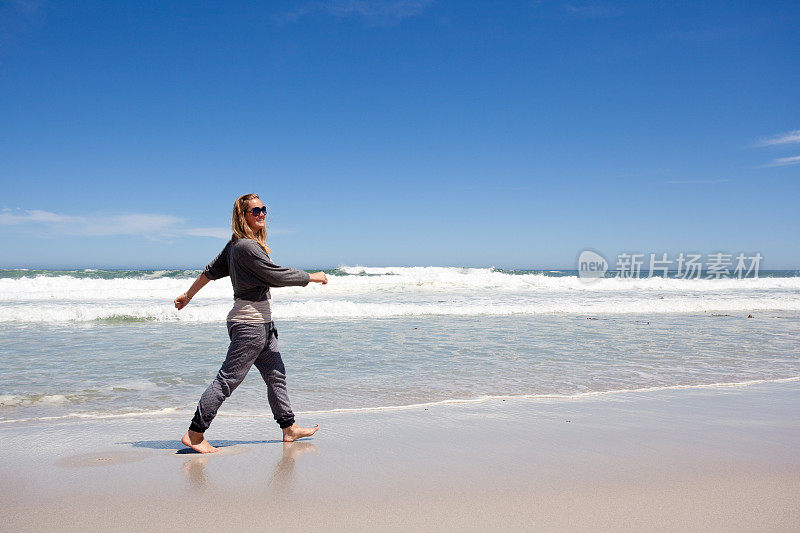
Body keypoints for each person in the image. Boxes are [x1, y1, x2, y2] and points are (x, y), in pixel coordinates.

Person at [174, 193, 328, 453]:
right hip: (249, 325)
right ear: (242, 216)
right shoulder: (245, 247)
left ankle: (288, 428)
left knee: (276, 376)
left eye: (263, 209)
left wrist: (188, 296)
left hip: (263, 324)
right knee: (227, 380)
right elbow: (275, 275)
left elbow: (209, 272)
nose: (261, 214)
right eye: (254, 211)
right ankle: (195, 433)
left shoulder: (237, 245)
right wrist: (311, 277)